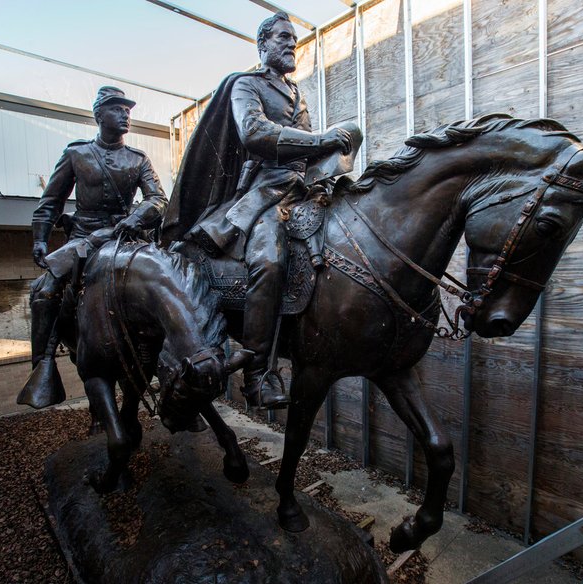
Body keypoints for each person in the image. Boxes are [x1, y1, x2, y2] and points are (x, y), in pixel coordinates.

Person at [160, 12, 357, 409]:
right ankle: (258, 375)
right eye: (283, 38)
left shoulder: (296, 93)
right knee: (269, 260)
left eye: (294, 39)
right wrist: (322, 139)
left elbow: (308, 148)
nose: (291, 45)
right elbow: (254, 133)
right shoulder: (245, 85)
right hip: (267, 191)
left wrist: (332, 157)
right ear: (263, 44)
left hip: (305, 187)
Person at [19, 86, 168, 408]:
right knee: (44, 292)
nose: (125, 115)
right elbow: (51, 201)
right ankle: (42, 367)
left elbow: (158, 199)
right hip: (83, 238)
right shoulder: (77, 154)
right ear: (99, 115)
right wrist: (40, 238)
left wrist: (136, 217)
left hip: (124, 236)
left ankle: (176, 368)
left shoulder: (138, 159)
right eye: (117, 109)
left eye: (128, 110)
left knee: (168, 284)